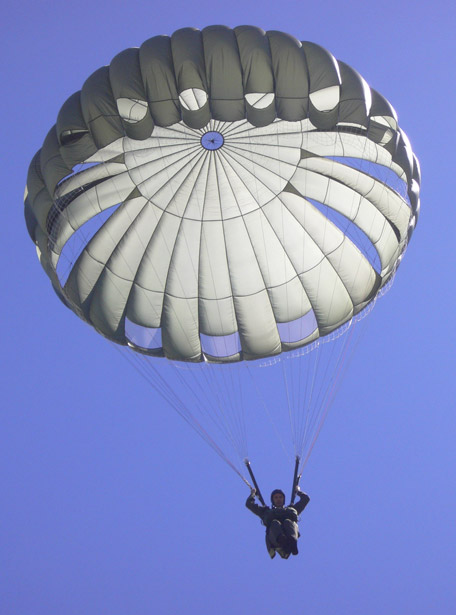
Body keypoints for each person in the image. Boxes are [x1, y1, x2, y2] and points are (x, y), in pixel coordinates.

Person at [246, 486, 310, 559]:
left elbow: (306, 499)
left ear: (283, 499)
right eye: (276, 498)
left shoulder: (292, 509)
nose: (278, 499)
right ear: (273, 500)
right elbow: (249, 504)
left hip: (290, 533)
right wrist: (253, 494)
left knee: (288, 521)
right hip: (276, 539)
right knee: (275, 523)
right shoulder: (265, 512)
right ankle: (282, 541)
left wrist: (298, 491)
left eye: (280, 497)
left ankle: (292, 543)